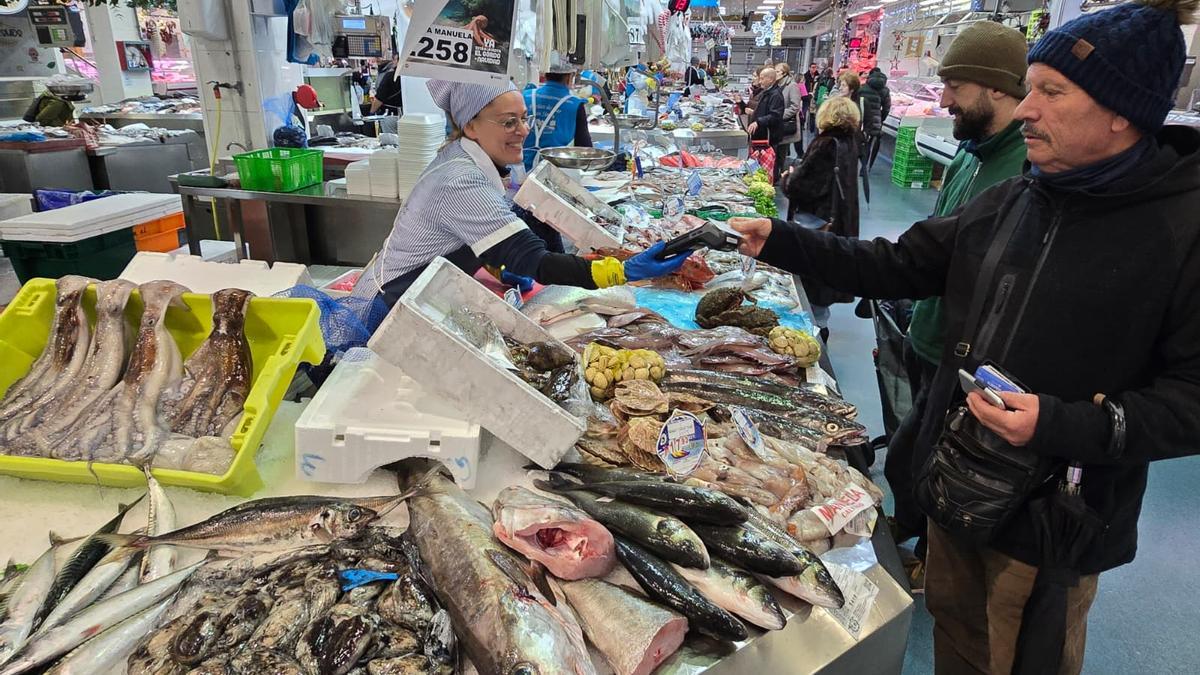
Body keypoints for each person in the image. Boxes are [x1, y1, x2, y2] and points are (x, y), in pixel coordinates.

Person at [730, 0, 1200, 672]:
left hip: (1052, 528)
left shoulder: (1182, 228)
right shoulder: (1019, 198)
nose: (1027, 108)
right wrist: (783, 239)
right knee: (956, 638)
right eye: (1027, 87)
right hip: (957, 486)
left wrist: (1061, 424)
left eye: (1050, 92)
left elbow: (1192, 399)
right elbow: (899, 264)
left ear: (1121, 109)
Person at [886, 21, 1030, 588]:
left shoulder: (1024, 165)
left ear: (996, 88)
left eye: (956, 86)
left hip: (972, 356)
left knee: (940, 461)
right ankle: (910, 527)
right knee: (911, 450)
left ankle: (929, 554)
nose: (943, 98)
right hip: (932, 332)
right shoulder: (972, 152)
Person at [350, 80, 691, 307]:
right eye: (509, 122)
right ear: (470, 126)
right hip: (387, 304)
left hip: (418, 291)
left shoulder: (471, 159)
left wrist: (501, 260)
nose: (524, 131)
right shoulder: (459, 180)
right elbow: (534, 262)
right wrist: (621, 271)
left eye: (524, 119)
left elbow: (479, 232)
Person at [780, 96, 862, 338]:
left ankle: (816, 337)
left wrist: (788, 177)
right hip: (840, 224)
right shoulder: (849, 141)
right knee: (827, 278)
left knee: (814, 283)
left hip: (819, 224)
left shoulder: (826, 144)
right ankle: (819, 326)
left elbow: (804, 186)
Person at [521, 65, 593, 171]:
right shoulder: (575, 104)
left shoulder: (525, 96)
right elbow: (584, 147)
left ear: (545, 74)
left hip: (519, 168)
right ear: (569, 77)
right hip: (556, 171)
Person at [748, 67, 786, 180]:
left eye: (762, 78)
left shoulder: (776, 95)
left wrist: (758, 122)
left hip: (770, 137)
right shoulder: (766, 92)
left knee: (769, 166)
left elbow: (775, 115)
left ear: (770, 79)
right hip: (762, 136)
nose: (760, 81)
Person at [774, 64, 804, 180]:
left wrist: (779, 114)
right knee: (777, 151)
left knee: (782, 151)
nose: (775, 73)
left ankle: (781, 176)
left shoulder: (792, 86)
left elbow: (795, 106)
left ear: (784, 73)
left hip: (785, 124)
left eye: (777, 71)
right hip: (777, 125)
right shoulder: (777, 85)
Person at [859, 67, 892, 168]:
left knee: (857, 141)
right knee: (869, 143)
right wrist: (881, 119)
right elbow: (887, 108)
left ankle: (852, 165)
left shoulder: (862, 87)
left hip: (861, 119)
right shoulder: (885, 90)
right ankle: (864, 167)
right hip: (875, 121)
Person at [810, 67, 836, 134]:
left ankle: (817, 132)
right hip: (826, 102)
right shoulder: (832, 81)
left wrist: (816, 99)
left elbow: (816, 92)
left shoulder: (820, 80)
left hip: (819, 101)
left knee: (818, 117)